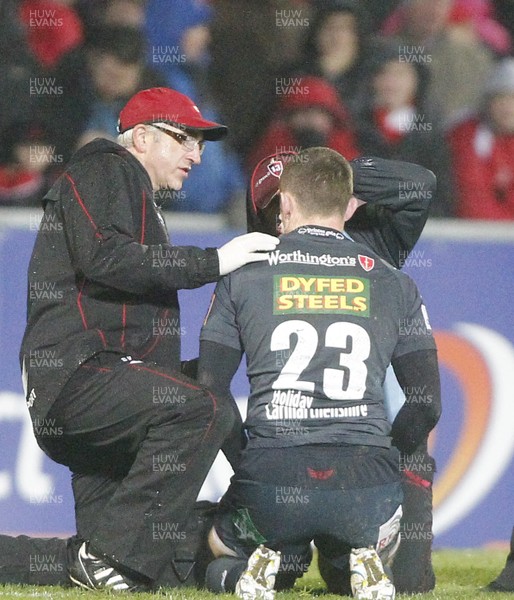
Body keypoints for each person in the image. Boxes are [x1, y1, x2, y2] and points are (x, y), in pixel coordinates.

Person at [18, 86, 279, 592]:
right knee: (203, 406)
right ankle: (256, 511)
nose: (197, 155)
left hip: (90, 390)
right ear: (140, 137)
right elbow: (107, 258)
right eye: (185, 139)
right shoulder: (107, 165)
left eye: (201, 144)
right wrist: (215, 261)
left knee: (110, 569)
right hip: (83, 380)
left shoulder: (123, 185)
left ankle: (102, 554)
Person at [198, 147, 442, 600]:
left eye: (279, 206)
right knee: (349, 563)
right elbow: (427, 404)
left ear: (286, 206)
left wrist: (247, 461)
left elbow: (209, 392)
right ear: (348, 206)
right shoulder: (390, 276)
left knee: (215, 549)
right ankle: (364, 560)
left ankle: (247, 574)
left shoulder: (243, 275)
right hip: (366, 477)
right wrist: (385, 458)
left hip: (274, 472)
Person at [447, 57, 514, 220]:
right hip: (476, 236)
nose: (507, 107)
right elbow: (472, 200)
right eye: (500, 98)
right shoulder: (465, 137)